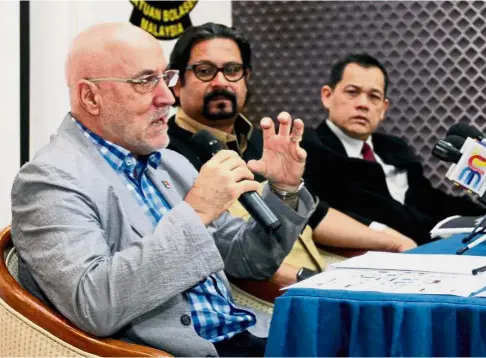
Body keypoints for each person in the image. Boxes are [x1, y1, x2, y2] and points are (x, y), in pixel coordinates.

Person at [10, 22, 317, 357]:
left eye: (165, 78)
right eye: (145, 81)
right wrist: (196, 212)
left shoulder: (169, 164)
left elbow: (250, 261)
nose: (167, 97)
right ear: (91, 96)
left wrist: (284, 189)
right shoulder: (49, 180)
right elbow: (94, 304)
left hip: (250, 334)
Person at [165, 22, 417, 284]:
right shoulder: (167, 157)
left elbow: (316, 216)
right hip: (273, 296)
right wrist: (310, 285)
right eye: (205, 71)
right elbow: (220, 253)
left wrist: (394, 242)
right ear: (176, 84)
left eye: (232, 70)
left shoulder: (263, 142)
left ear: (246, 78)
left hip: (316, 274)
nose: (221, 82)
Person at [301, 53, 485, 244]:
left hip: (434, 240)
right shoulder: (311, 148)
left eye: (374, 97)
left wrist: (485, 216)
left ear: (383, 108)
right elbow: (313, 210)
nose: (363, 104)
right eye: (352, 92)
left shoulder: (394, 148)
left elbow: (428, 199)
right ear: (327, 96)